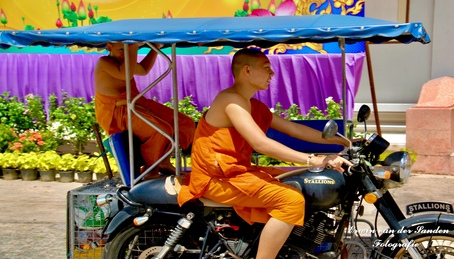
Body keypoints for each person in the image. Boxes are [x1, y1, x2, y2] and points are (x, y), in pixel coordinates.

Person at [178, 48, 352, 259]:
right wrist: (313, 160)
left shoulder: (252, 105)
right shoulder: (230, 101)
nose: (273, 74)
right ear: (247, 71)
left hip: (237, 173)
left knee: (300, 181)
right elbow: (260, 143)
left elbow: (294, 129)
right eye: (267, 68)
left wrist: (340, 140)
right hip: (216, 179)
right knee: (291, 200)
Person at [94, 42, 195, 179]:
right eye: (121, 50)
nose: (125, 53)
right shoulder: (104, 62)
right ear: (108, 47)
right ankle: (150, 170)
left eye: (127, 49)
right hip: (118, 111)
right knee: (161, 131)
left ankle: (164, 162)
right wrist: (133, 46)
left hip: (136, 103)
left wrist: (156, 48)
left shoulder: (126, 62)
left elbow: (143, 69)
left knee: (184, 123)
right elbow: (126, 74)